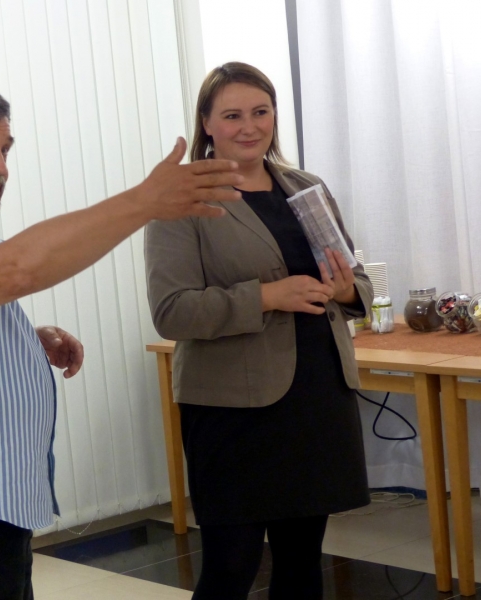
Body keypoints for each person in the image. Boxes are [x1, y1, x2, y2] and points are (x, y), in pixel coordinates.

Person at [0, 81, 244, 600]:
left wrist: (21, 340)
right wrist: (143, 202)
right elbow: (18, 268)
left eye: (5, 149)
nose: (0, 166)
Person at [145, 62, 372, 599]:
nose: (249, 127)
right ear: (206, 123)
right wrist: (268, 297)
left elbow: (356, 281)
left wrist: (344, 290)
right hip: (233, 409)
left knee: (301, 564)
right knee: (231, 567)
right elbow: (172, 311)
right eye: (232, 115)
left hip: (317, 393)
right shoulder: (182, 199)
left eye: (261, 112)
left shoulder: (306, 187)